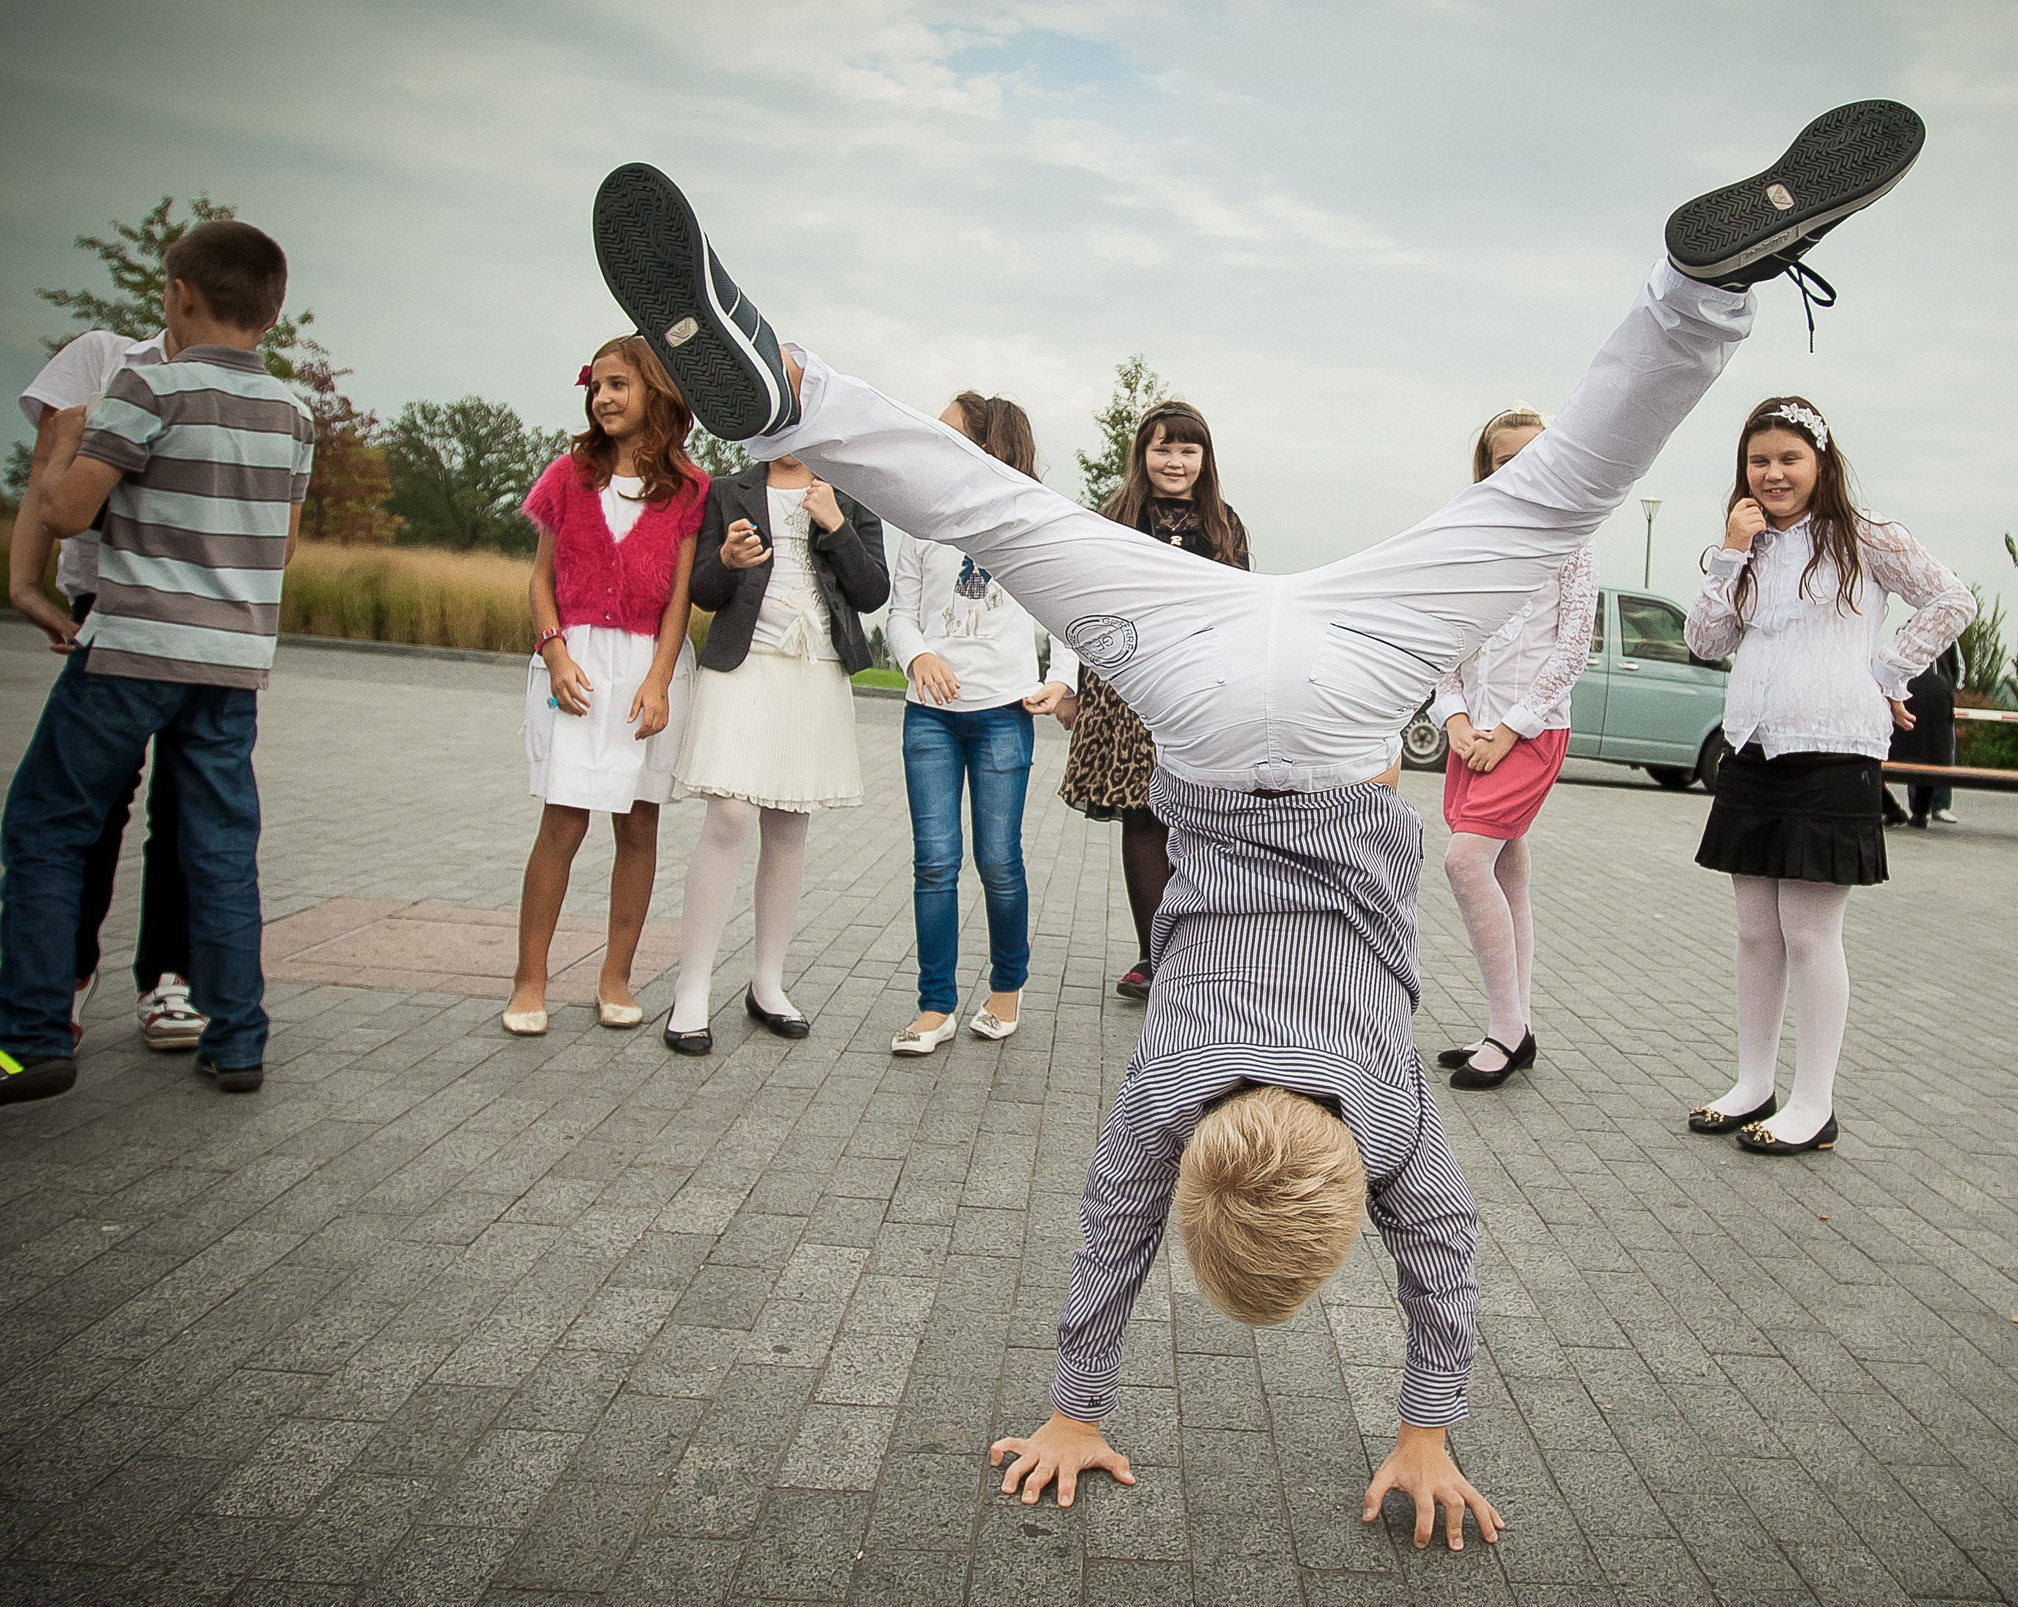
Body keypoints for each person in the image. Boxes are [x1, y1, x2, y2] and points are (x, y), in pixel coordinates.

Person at [586, 97, 1923, 1534]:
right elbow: (1109, 1238)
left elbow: (1444, 1255)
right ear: (1200, 1170)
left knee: (1560, 493)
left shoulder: (1388, 1113)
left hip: (1352, 691)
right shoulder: (1168, 1094)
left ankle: (1700, 300)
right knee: (1001, 515)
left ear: (1348, 1189)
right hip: (1206, 684)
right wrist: (1074, 1406)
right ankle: (791, 397)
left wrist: (1428, 1429)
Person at [0, 220, 312, 1104]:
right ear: (272, 314)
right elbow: (283, 548)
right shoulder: (293, 414)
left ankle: (29, 1036)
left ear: (179, 295)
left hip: (134, 647)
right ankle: (237, 1039)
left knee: (47, 824)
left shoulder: (147, 385)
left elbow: (67, 512)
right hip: (232, 660)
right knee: (219, 845)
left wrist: (61, 449)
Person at [1682, 397, 1975, 1155]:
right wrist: (1729, 553)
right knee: (1755, 932)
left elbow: (1952, 599)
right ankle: (1753, 1084)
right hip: (1752, 749)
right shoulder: (1745, 545)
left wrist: (1888, 670)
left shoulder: (1867, 536)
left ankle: (1814, 1104)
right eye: (1759, 460)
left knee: (1809, 934)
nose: (1774, 473)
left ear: (1821, 462)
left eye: (1790, 458)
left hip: (1834, 751)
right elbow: (1705, 641)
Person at [503, 337, 706, 1037]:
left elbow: (680, 599)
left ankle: (615, 978)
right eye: (598, 387)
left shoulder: (689, 488)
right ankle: (529, 981)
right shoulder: (568, 476)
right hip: (577, 665)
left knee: (639, 824)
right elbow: (540, 579)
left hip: (647, 669)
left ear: (656, 391)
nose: (604, 398)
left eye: (619, 384)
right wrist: (555, 653)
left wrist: (660, 680)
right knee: (563, 819)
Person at [13, 325, 206, 1054]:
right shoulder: (105, 356)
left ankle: (170, 977)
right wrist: (24, 582)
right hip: (110, 604)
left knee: (185, 806)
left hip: (204, 613)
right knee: (90, 805)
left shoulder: (242, 388)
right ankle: (60, 980)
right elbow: (50, 464)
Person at [659, 453, 887, 1054]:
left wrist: (836, 524)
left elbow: (872, 592)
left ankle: (767, 984)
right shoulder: (727, 489)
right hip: (743, 665)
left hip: (814, 671)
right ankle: (691, 987)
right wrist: (726, 561)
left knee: (788, 825)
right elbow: (703, 590)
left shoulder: (850, 491)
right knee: (729, 815)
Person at [885, 392, 1078, 1056]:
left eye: (948, 431)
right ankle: (934, 1005)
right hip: (930, 719)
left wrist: (1062, 678)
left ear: (988, 443)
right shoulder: (920, 519)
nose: (931, 437)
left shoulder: (1029, 520)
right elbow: (900, 613)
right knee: (935, 861)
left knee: (998, 859)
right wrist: (918, 655)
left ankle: (1006, 988)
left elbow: (1064, 609)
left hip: (1003, 715)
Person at [1057, 400, 1252, 1000]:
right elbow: (1077, 601)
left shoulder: (1225, 523)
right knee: (1142, 817)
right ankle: (1154, 958)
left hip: (1199, 689)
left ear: (1204, 458)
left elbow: (1239, 610)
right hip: (1125, 690)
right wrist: (1067, 682)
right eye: (1162, 448)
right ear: (1142, 454)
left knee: (1197, 820)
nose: (1175, 461)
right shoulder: (1113, 516)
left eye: (1187, 450)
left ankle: (1203, 957)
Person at [1425, 407, 1595, 1091]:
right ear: (1487, 468)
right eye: (1506, 459)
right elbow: (1447, 638)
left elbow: (1573, 646)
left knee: (1465, 861)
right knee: (1506, 867)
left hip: (1532, 730)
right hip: (1473, 733)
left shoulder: (1572, 535)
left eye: (1536, 453)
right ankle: (1514, 1023)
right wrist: (1455, 717)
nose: (1522, 466)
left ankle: (1507, 1029)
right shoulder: (1471, 538)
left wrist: (1512, 728)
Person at [1886, 642, 1958, 828]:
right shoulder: (1947, 635)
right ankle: (1920, 812)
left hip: (1906, 692)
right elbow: (1958, 670)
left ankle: (1892, 809)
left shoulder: (1907, 635)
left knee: (1877, 763)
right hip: (1936, 696)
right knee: (1931, 756)